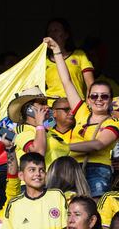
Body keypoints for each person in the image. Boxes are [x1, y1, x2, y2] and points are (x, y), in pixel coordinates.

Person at [44, 36, 119, 199]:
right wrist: (57, 51)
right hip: (72, 170)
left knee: (95, 212)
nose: (99, 99)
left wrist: (66, 147)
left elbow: (98, 144)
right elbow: (67, 81)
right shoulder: (82, 112)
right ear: (89, 99)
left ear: (110, 100)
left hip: (98, 170)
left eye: (104, 97)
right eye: (95, 96)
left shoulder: (113, 122)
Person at [7, 86, 69, 169]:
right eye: (42, 103)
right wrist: (40, 124)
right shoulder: (22, 130)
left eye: (46, 103)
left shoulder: (47, 131)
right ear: (29, 109)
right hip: (40, 180)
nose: (47, 106)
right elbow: (38, 153)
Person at [3, 152, 67, 229]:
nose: (38, 174)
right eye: (32, 170)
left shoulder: (57, 195)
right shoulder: (14, 204)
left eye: (42, 170)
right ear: (21, 176)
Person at [45, 17, 94, 106]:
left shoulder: (79, 55)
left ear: (66, 35)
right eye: (49, 31)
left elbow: (90, 84)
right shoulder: (44, 61)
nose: (52, 34)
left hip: (76, 105)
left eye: (56, 30)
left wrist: (89, 106)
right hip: (51, 108)